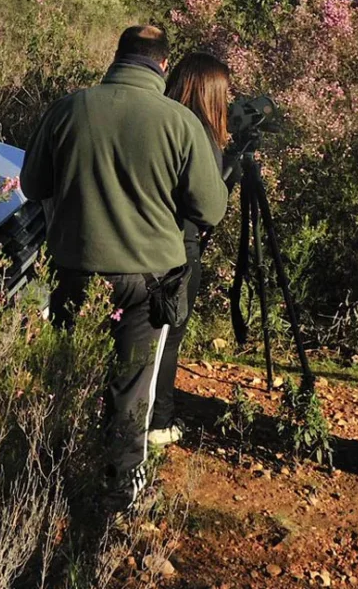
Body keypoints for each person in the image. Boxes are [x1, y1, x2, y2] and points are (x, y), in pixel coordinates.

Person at [20, 25, 229, 514]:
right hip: (149, 280)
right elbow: (211, 210)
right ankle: (120, 487)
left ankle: (54, 468)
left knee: (71, 368)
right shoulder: (180, 123)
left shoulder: (68, 108)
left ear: (117, 57)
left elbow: (33, 185)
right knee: (133, 384)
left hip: (75, 269)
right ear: (162, 66)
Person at [147, 52, 235, 448]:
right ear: (212, 92)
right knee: (169, 337)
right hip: (178, 253)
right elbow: (208, 211)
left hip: (140, 244)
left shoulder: (156, 120)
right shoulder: (200, 135)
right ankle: (157, 421)